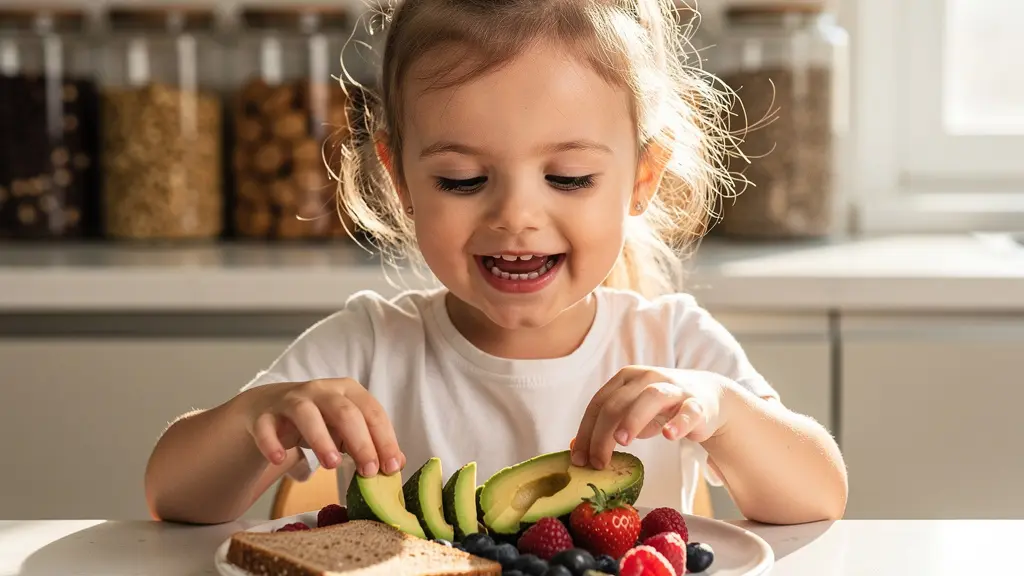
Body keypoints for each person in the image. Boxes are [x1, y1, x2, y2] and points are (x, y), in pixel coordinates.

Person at [144, 0, 847, 526]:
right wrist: (255, 420)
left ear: (641, 178)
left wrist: (722, 411)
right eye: (461, 179)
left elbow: (820, 495)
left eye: (568, 178)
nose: (516, 216)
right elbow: (172, 497)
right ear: (401, 180)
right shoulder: (365, 349)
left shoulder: (671, 344)